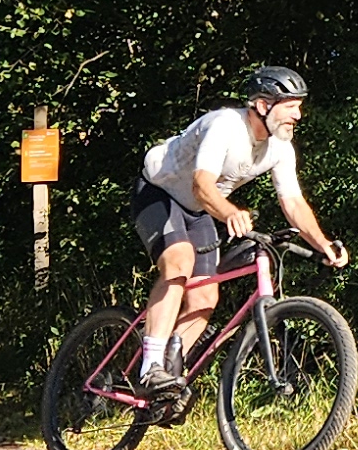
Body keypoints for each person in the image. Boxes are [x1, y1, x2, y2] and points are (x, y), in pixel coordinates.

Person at [127, 64, 343, 392]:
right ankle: (150, 367)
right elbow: (202, 185)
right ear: (262, 105)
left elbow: (294, 204)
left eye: (299, 107)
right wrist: (230, 213)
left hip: (199, 208)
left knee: (205, 296)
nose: (298, 115)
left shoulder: (280, 148)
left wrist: (323, 244)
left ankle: (167, 382)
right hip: (158, 191)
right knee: (179, 261)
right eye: (290, 106)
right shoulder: (225, 126)